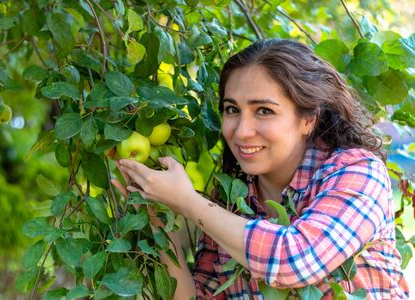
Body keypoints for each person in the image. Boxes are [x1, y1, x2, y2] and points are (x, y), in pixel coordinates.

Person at [112, 39, 409, 299]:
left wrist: (190, 203)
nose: (242, 131)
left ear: (308, 119)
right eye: (232, 109)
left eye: (264, 111)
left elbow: (296, 260)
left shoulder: (357, 172)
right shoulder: (231, 203)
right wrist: (160, 223)